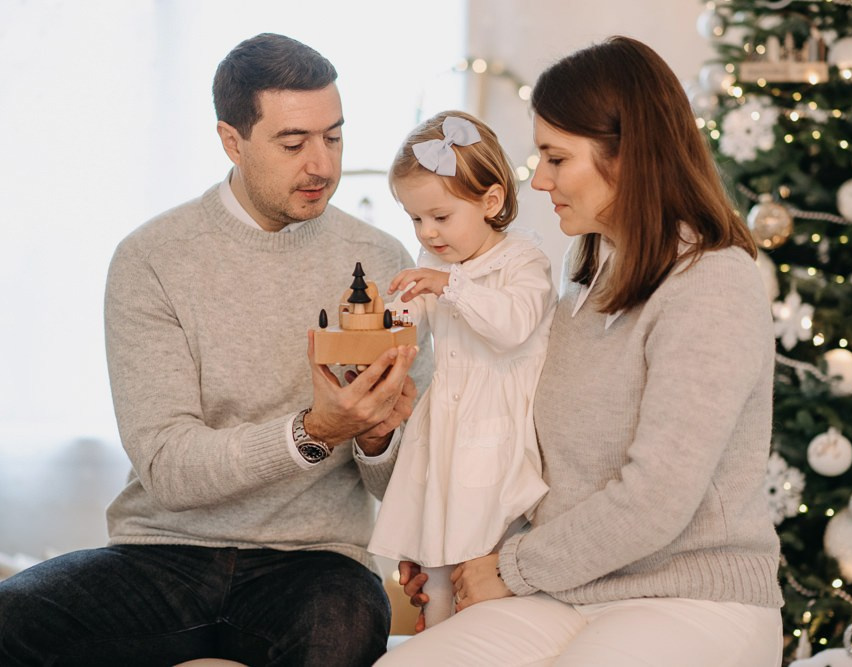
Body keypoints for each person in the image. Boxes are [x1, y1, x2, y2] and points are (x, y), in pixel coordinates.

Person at [0, 33, 428, 667]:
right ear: (232, 140)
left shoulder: (383, 260)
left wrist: (374, 437)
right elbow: (168, 466)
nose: (322, 166)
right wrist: (312, 432)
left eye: (333, 137)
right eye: (294, 143)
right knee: (12, 622)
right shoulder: (152, 258)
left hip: (314, 564)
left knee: (339, 637)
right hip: (163, 554)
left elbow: (402, 484)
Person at [379, 36, 784, 666]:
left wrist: (508, 567)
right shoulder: (584, 270)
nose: (537, 180)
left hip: (691, 598)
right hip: (562, 591)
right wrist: (457, 546)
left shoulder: (712, 282)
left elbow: (656, 499)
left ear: (627, 157)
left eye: (555, 157)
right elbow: (532, 448)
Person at [367, 111, 555, 628]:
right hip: (445, 433)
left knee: (482, 560)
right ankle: (438, 640)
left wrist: (448, 287)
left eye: (440, 217)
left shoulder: (524, 261)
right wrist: (394, 309)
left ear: (490, 202)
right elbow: (411, 329)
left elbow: (514, 324)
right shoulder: (442, 269)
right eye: (415, 220)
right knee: (437, 572)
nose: (427, 232)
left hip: (495, 436)